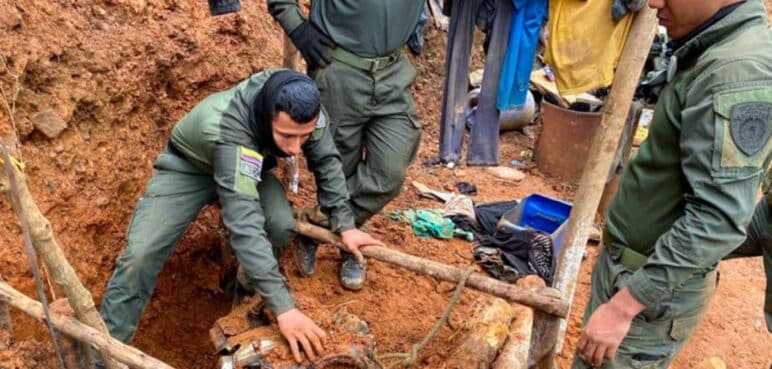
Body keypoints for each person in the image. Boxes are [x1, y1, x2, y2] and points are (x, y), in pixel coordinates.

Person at [96, 69, 383, 367]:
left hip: (252, 165)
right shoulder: (231, 130)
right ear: (266, 116)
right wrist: (285, 308)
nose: (296, 149)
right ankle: (103, 356)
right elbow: (244, 224)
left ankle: (243, 307)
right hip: (190, 166)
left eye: (304, 136)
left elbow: (326, 161)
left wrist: (345, 225)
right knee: (140, 256)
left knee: (280, 226)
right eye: (286, 136)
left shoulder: (306, 105)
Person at [574, 0, 772, 368]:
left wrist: (625, 305)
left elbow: (718, 218)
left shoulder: (735, 72)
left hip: (647, 298)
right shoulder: (712, 47)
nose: (653, 3)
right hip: (637, 275)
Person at [268, 0, 425, 291]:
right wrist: (298, 28)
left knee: (389, 172)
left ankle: (315, 228)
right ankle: (349, 245)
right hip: (339, 69)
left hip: (393, 73)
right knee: (339, 166)